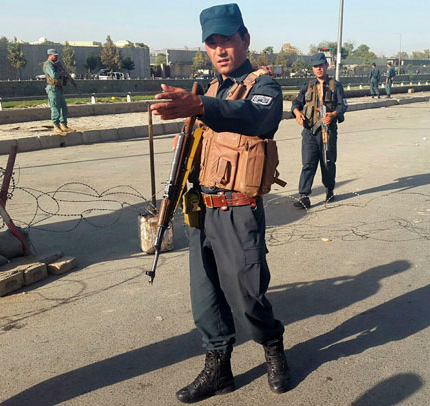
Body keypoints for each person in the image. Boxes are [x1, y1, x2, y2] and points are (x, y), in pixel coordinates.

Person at [150, 3, 290, 403]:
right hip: (200, 207)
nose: (220, 50)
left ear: (244, 39)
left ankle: (272, 345)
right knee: (205, 295)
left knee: (247, 294)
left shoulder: (263, 86)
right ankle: (219, 368)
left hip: (238, 208)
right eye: (212, 43)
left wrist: (201, 107)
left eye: (227, 40)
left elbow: (256, 118)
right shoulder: (209, 88)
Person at [291, 53, 347, 208]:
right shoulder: (307, 86)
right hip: (310, 132)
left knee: (328, 162)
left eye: (321, 65)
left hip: (327, 132)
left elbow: (343, 105)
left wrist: (333, 115)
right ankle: (304, 196)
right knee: (308, 163)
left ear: (326, 66)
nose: (318, 69)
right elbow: (296, 103)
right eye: (316, 66)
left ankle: (329, 190)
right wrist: (297, 114)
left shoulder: (336, 85)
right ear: (312, 68)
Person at [43, 49, 75, 135]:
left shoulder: (55, 65)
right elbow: (53, 75)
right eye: (54, 55)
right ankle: (56, 126)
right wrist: (61, 73)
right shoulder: (48, 65)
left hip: (58, 88)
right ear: (50, 55)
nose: (56, 57)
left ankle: (64, 125)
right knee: (55, 108)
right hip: (52, 89)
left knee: (63, 107)